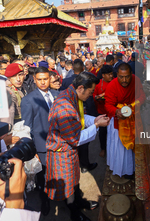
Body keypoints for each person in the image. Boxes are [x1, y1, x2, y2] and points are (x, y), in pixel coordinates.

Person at [45, 72, 109, 221]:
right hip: (62, 152)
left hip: (70, 151)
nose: (91, 95)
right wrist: (97, 125)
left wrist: (94, 120)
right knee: (68, 186)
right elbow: (75, 138)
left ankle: (79, 202)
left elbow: (79, 117)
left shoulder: (72, 95)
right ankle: (75, 213)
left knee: (74, 181)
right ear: (81, 88)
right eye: (91, 92)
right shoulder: (64, 107)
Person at [21, 67, 59, 216]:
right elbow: (27, 127)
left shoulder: (57, 94)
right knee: (43, 176)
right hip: (42, 146)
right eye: (40, 79)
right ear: (35, 80)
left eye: (46, 79)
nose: (43, 82)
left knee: (58, 172)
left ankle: (60, 196)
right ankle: (45, 201)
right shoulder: (28, 100)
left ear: (50, 79)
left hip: (59, 142)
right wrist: (33, 150)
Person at [104, 63, 146, 178]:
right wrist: (116, 112)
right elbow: (108, 105)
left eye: (127, 76)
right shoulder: (112, 86)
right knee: (120, 147)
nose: (124, 80)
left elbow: (142, 96)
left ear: (131, 74)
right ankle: (122, 169)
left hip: (133, 116)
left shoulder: (136, 80)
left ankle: (133, 167)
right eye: (121, 77)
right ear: (116, 75)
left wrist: (133, 106)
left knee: (135, 141)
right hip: (118, 121)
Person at [93, 65, 114, 158]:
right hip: (101, 112)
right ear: (103, 75)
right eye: (108, 75)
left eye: (111, 74)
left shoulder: (115, 82)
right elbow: (94, 95)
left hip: (113, 112)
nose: (111, 76)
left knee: (113, 132)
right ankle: (103, 148)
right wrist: (97, 97)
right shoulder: (98, 84)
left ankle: (112, 148)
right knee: (102, 132)